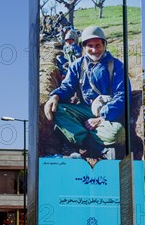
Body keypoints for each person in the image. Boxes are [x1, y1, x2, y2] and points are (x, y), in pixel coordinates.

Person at [44, 25, 126, 160]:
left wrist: (101, 118)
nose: (94, 50)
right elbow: (67, 87)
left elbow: (122, 95)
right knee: (57, 109)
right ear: (84, 46)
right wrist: (55, 96)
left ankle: (77, 135)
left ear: (104, 45)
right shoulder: (78, 65)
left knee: (118, 133)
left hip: (106, 113)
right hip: (84, 110)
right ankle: (91, 145)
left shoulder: (116, 66)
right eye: (90, 46)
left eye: (98, 45)